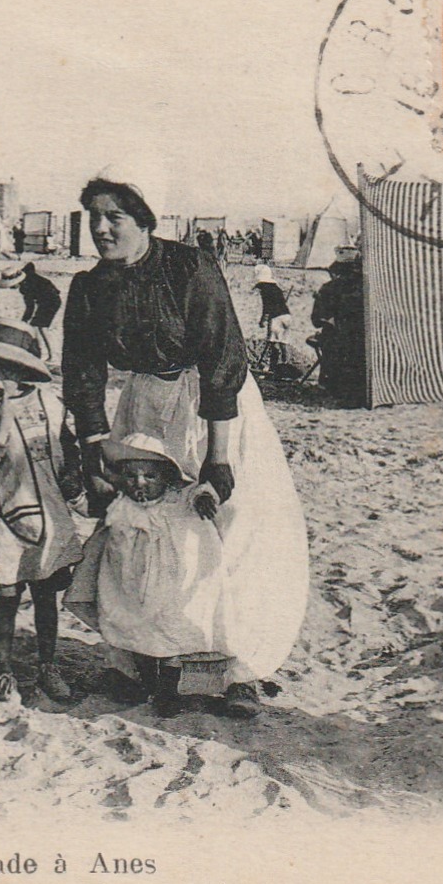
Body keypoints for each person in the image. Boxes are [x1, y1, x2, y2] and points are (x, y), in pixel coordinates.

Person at [61, 168, 308, 718]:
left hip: (213, 407)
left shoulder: (189, 268)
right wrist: (96, 448)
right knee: (139, 527)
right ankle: (138, 660)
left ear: (144, 220)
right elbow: (81, 374)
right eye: (93, 218)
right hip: (144, 403)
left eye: (114, 217)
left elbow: (223, 359)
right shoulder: (88, 287)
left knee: (231, 521)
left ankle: (235, 668)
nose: (101, 229)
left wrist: (218, 459)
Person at [64, 383, 230, 718]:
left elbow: (196, 496)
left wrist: (205, 496)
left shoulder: (175, 499)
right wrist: (73, 493)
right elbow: (93, 512)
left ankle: (169, 687)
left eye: (149, 476)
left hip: (166, 580)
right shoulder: (122, 503)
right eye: (132, 475)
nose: (140, 483)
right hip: (127, 578)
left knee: (167, 629)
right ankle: (141, 680)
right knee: (132, 626)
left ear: (166, 477)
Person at [0, 318, 83, 704]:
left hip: (48, 514)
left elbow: (68, 452)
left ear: (23, 371)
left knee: (45, 595)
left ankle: (48, 666)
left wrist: (76, 486)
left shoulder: (50, 404)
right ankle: (4, 669)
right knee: (7, 597)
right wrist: (2, 420)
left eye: (7, 368)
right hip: (2, 517)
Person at [311, 251, 366, 406]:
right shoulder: (367, 288)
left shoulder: (330, 288)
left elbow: (317, 319)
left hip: (340, 339)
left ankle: (333, 386)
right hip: (357, 339)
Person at [0, 261, 63, 360]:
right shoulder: (27, 278)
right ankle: (40, 351)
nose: (11, 288)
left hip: (51, 300)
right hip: (45, 300)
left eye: (12, 286)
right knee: (36, 325)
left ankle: (51, 355)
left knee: (42, 327)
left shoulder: (26, 286)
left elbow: (30, 307)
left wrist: (24, 321)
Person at [253, 264, 293, 377]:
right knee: (283, 343)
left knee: (273, 343)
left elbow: (267, 307)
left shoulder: (265, 290)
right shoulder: (276, 288)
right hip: (287, 316)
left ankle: (272, 368)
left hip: (276, 318)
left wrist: (262, 320)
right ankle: (286, 365)